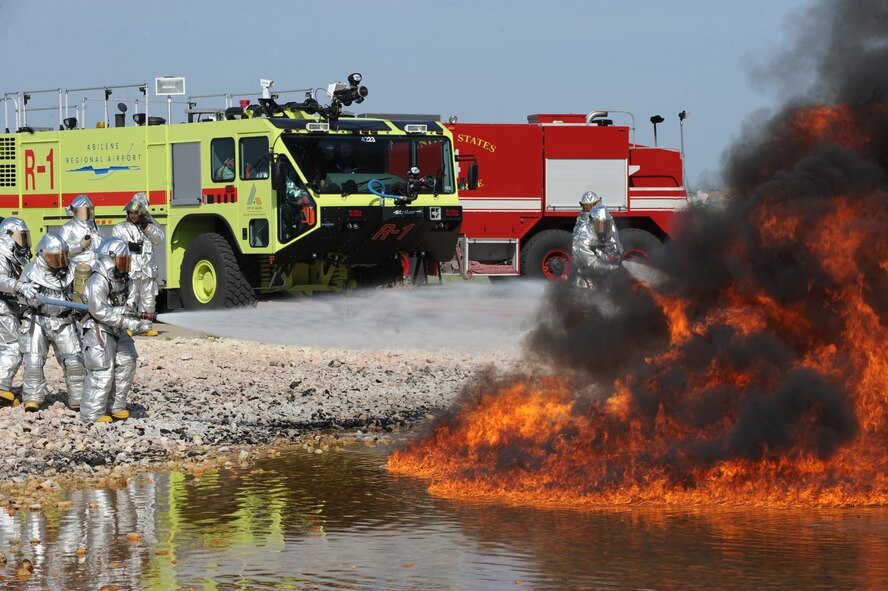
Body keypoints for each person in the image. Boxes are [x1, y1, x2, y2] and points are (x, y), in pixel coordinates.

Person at [80, 238, 151, 424]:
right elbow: (99, 311)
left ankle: (115, 406)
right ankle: (92, 414)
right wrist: (127, 321)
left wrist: (130, 312)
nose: (125, 265)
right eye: (122, 260)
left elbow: (130, 298)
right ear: (110, 259)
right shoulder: (97, 281)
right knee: (102, 370)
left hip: (117, 329)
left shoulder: (125, 279)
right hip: (99, 329)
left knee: (127, 362)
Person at [17, 234, 86, 412]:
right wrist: (31, 299)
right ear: (44, 255)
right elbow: (20, 296)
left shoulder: (72, 271)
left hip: (64, 321)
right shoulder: (32, 271)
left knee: (74, 362)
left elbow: (80, 295)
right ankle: (33, 398)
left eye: (62, 256)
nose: (59, 261)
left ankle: (77, 398)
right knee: (33, 361)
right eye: (55, 257)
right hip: (38, 320)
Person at [112, 192, 165, 336]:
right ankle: (130, 326)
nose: (133, 215)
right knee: (130, 299)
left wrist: (147, 227)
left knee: (148, 299)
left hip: (148, 271)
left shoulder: (148, 226)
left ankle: (146, 327)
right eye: (131, 213)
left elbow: (159, 239)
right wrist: (128, 245)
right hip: (130, 272)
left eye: (136, 213)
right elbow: (114, 244)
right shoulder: (120, 228)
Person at [0, 218, 36, 407]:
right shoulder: (0, 252)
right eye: (20, 237)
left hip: (6, 306)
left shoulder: (8, 255)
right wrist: (19, 286)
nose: (23, 241)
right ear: (8, 236)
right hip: (2, 308)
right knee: (13, 347)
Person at [572, 191, 623, 280]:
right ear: (592, 222)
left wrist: (616, 255)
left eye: (604, 224)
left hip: (601, 267)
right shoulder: (585, 230)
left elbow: (614, 241)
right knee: (588, 290)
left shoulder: (609, 223)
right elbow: (589, 259)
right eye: (586, 207)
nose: (602, 227)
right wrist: (607, 267)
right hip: (587, 271)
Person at [60, 194, 104, 272]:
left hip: (95, 269)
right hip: (77, 271)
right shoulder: (68, 227)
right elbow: (61, 251)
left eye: (90, 209)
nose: (89, 212)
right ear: (77, 211)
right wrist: (80, 245)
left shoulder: (93, 225)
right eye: (86, 210)